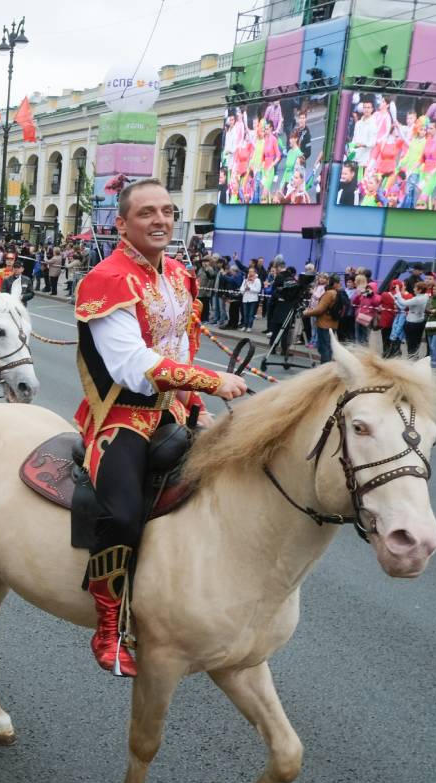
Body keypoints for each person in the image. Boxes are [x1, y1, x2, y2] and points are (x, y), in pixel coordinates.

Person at [74, 178, 246, 676]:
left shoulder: (179, 276)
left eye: (168, 211)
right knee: (123, 513)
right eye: (147, 212)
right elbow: (133, 365)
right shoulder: (108, 279)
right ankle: (107, 627)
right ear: (122, 223)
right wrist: (212, 381)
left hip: (174, 410)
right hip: (122, 415)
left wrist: (196, 402)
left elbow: (179, 351)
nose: (161, 220)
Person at [302, 273, 338, 362]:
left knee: (324, 347)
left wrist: (307, 313)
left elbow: (320, 309)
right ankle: (326, 364)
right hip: (332, 323)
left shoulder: (329, 293)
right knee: (327, 346)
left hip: (325, 323)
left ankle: (325, 366)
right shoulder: (337, 292)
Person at [239, 265, 261, 331]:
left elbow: (258, 290)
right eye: (249, 272)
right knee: (245, 314)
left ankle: (249, 327)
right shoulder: (246, 280)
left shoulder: (257, 280)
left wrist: (250, 288)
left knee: (251, 314)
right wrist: (244, 289)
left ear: (255, 272)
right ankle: (244, 326)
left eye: (251, 272)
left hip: (253, 299)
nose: (250, 273)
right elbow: (241, 288)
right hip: (245, 298)